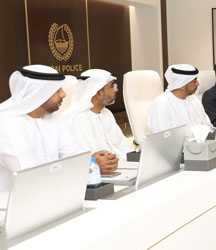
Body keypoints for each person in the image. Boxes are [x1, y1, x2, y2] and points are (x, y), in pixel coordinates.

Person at [0, 65, 109, 197]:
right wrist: (84, 167)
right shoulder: (7, 123)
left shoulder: (54, 117)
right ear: (38, 94)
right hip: (14, 201)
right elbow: (31, 175)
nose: (63, 94)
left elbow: (73, 155)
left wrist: (92, 162)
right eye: (57, 90)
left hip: (54, 193)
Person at [66, 68, 131, 162]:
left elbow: (123, 146)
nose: (116, 89)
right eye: (112, 86)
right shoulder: (77, 119)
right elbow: (84, 160)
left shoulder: (106, 113)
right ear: (99, 93)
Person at [147, 64, 211, 134]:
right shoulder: (161, 103)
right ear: (182, 85)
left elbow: (207, 125)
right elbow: (161, 136)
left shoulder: (194, 99)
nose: (198, 84)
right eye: (194, 81)